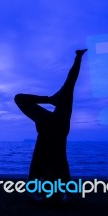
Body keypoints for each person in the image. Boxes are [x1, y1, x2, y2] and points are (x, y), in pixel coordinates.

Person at [14, 49, 87, 202]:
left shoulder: (51, 170)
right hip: (52, 125)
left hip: (51, 125)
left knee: (68, 86)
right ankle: (51, 99)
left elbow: (60, 184)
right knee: (68, 86)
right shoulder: (51, 170)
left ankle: (51, 99)